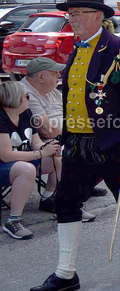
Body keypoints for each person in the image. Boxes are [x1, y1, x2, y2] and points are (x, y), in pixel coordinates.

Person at [30, 0, 120, 291]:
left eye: (78, 14)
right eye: (70, 14)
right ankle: (66, 273)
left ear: (98, 16)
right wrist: (66, 135)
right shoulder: (76, 49)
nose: (72, 19)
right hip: (78, 143)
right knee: (65, 200)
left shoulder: (119, 50)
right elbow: (75, 97)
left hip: (111, 143)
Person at [24, 57, 105, 213]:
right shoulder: (26, 94)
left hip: (63, 133)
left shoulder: (51, 91)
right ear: (41, 77)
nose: (59, 76)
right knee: (76, 149)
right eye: (55, 73)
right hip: (46, 140)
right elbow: (47, 130)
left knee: (104, 143)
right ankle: (64, 195)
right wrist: (76, 132)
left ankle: (84, 185)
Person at [0, 81, 61, 240]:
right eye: (26, 96)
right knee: (26, 169)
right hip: (4, 166)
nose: (29, 99)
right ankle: (13, 220)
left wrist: (49, 147)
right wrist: (39, 153)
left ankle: (51, 199)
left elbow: (37, 144)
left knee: (60, 156)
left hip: (22, 162)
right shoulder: (1, 118)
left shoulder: (26, 114)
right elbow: (6, 155)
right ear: (14, 99)